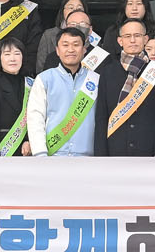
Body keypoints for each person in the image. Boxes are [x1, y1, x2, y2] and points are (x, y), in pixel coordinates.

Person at [98, 18, 155, 156]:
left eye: (137, 35)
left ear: (145, 39)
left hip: (149, 151)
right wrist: (101, 156)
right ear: (120, 41)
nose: (132, 40)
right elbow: (101, 118)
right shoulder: (108, 72)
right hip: (115, 151)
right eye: (127, 36)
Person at [29, 26, 102, 156]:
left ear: (84, 49)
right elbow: (35, 118)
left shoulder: (95, 80)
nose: (71, 49)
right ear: (57, 50)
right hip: (53, 156)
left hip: (88, 158)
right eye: (65, 45)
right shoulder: (44, 79)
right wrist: (40, 154)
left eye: (76, 45)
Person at [0, 38, 33, 157]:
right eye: (7, 54)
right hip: (2, 148)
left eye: (17, 53)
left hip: (27, 149)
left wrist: (29, 140)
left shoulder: (30, 83)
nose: (12, 59)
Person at [36, 0, 94, 72]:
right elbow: (41, 68)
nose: (75, 10)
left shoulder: (94, 41)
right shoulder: (49, 36)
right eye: (71, 7)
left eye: (79, 8)